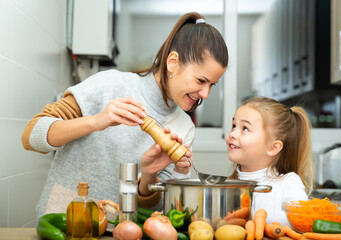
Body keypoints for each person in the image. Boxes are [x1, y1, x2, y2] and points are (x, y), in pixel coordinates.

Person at [22, 12, 228, 219]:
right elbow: (31, 136)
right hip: (63, 222)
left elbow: (156, 214)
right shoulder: (111, 84)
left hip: (118, 231)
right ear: (172, 62)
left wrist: (149, 175)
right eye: (201, 81)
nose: (206, 94)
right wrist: (96, 121)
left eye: (212, 85)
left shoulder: (184, 128)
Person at [225, 97, 313, 227]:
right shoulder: (228, 183)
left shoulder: (289, 183)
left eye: (245, 128)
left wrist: (256, 221)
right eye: (233, 126)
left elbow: (302, 222)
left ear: (273, 148)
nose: (232, 134)